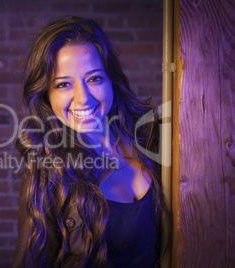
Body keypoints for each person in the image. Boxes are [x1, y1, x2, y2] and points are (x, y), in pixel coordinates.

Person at [13, 16, 170, 267]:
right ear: (46, 94)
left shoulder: (151, 138)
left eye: (94, 78)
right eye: (64, 84)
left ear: (111, 79)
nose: (82, 98)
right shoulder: (48, 173)